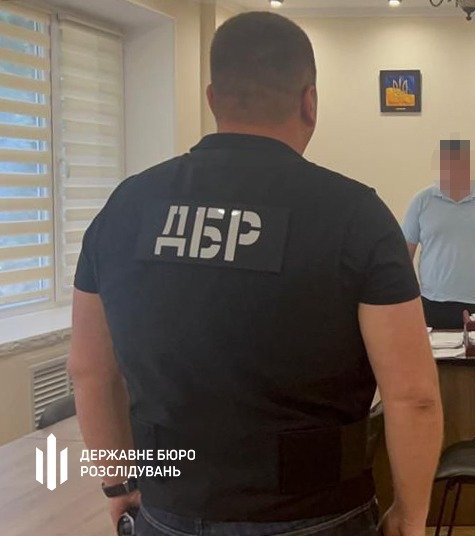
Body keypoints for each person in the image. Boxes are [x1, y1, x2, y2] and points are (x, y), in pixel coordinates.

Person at [67, 12, 443, 536]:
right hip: (318, 514)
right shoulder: (355, 215)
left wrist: (117, 485)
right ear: (310, 102)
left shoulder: (126, 206)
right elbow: (413, 396)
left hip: (169, 509)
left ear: (213, 98)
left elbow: (89, 370)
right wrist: (410, 514)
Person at [402, 139, 475, 329]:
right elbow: (404, 256)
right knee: (431, 350)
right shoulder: (422, 201)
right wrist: (407, 301)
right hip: (432, 303)